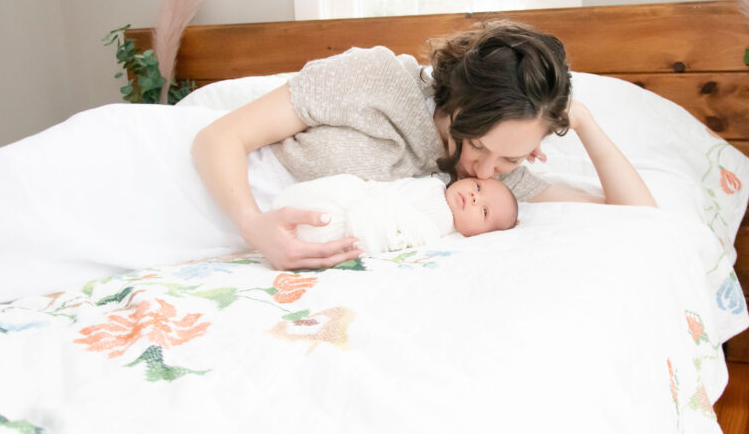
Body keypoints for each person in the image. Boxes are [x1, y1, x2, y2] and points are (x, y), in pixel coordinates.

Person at [192, 20, 657, 272]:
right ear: (455, 100)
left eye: (511, 157)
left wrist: (581, 119)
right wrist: (253, 227)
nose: (484, 169)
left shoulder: (492, 185)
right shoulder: (374, 78)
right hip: (210, 188)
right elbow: (220, 137)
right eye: (477, 143)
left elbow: (641, 219)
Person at [273, 174, 518, 256]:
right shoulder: (433, 184)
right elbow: (389, 191)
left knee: (324, 228)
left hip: (361, 221)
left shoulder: (441, 234)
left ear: (480, 235)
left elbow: (398, 236)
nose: (475, 197)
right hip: (355, 194)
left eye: (484, 211)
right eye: (477, 186)